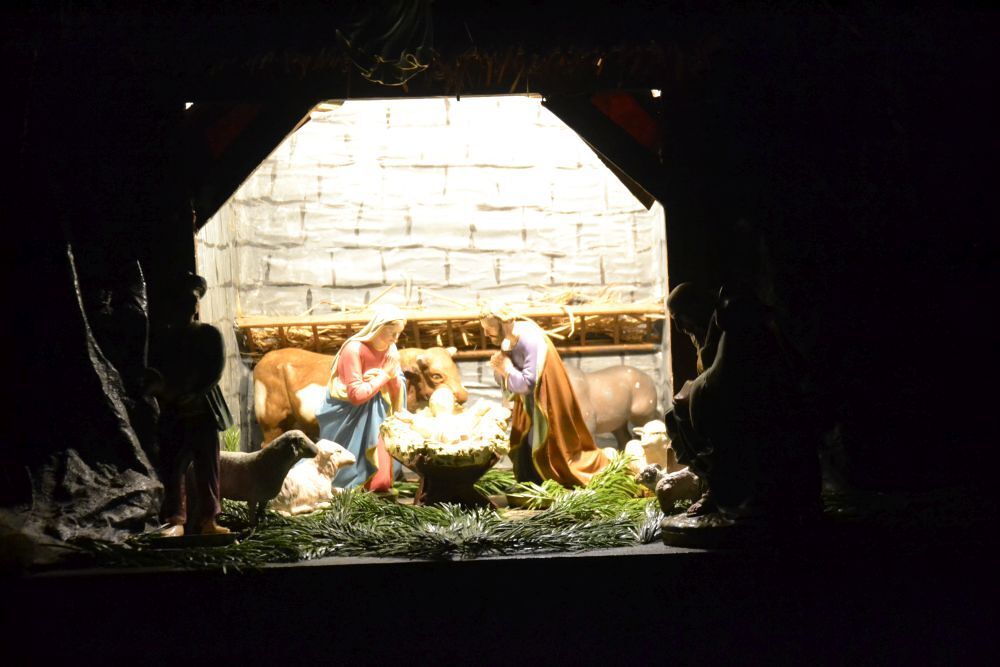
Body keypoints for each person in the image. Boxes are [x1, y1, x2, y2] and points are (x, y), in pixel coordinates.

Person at [480, 302, 609, 487]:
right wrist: (501, 370)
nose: (485, 334)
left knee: (547, 447)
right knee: (527, 445)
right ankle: (533, 482)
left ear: (503, 324)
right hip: (529, 406)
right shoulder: (509, 340)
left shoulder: (530, 340)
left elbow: (528, 383)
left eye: (489, 328)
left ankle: (555, 481)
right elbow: (508, 377)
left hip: (545, 404)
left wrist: (506, 369)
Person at [149, 272, 233, 537]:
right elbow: (157, 370)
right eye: (183, 300)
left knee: (208, 466)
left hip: (202, 411)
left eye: (193, 300)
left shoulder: (208, 334)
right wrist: (168, 392)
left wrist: (193, 393)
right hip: (174, 411)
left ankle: (209, 519)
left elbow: (214, 370)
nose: (189, 305)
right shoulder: (164, 338)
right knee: (173, 466)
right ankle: (176, 519)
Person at [315, 305, 407, 492]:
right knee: (348, 473)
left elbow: (398, 383)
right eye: (392, 333)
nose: (395, 339)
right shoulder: (353, 349)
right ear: (379, 328)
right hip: (351, 418)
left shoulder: (391, 349)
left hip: (379, 414)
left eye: (398, 333)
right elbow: (356, 395)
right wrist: (383, 375)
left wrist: (386, 377)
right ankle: (347, 489)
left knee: (381, 482)